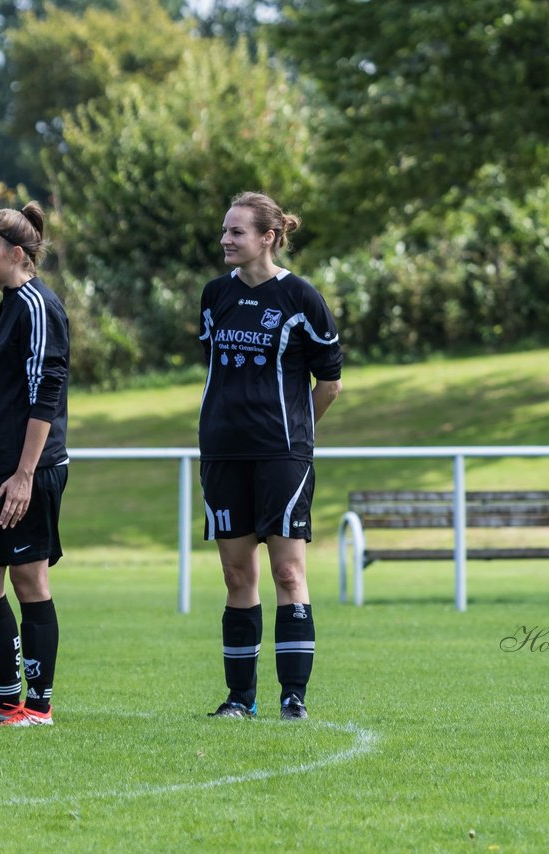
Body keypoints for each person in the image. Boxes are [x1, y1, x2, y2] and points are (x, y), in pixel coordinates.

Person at [198, 191, 343, 720]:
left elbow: (329, 384)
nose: (225, 241)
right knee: (238, 577)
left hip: (283, 457)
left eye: (236, 232)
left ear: (268, 237)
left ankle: (293, 698)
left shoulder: (302, 298)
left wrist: (295, 435)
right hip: (222, 454)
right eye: (224, 231)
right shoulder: (215, 296)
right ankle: (240, 699)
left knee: (287, 574)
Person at [0, 201, 69, 727]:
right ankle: (6, 699)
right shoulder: (9, 301)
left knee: (29, 581)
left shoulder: (37, 305)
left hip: (30, 472)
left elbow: (45, 391)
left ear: (17, 254)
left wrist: (25, 474)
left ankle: (39, 707)